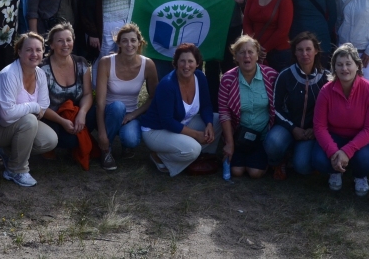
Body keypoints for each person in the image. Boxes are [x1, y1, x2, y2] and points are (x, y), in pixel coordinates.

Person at [40, 23, 125, 169]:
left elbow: (87, 94)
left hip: (77, 113)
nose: (65, 44)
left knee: (107, 109)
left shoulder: (81, 62)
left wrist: (82, 113)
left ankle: (105, 148)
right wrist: (62, 121)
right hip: (53, 117)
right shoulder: (42, 68)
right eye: (60, 41)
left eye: (69, 40)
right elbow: (40, 106)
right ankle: (57, 146)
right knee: (71, 141)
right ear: (52, 45)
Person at [0, 32, 58, 187]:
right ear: (19, 52)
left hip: (19, 125)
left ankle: (8, 154)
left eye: (38, 50)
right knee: (30, 120)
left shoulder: (40, 73)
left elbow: (44, 105)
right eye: (29, 50)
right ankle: (16, 170)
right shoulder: (9, 74)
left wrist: (33, 109)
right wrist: (33, 107)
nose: (34, 54)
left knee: (49, 140)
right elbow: (6, 115)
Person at [313, 43, 369, 195]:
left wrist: (346, 151)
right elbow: (319, 127)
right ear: (334, 68)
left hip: (362, 138)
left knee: (364, 160)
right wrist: (333, 152)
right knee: (318, 159)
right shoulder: (326, 91)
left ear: (358, 66)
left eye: (348, 64)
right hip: (334, 136)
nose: (344, 69)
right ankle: (335, 170)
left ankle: (360, 175)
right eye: (339, 65)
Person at [140, 43, 217, 176]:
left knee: (217, 121)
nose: (186, 66)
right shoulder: (167, 85)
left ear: (197, 63)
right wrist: (196, 134)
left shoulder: (200, 77)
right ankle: (161, 157)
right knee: (193, 149)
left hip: (181, 122)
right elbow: (167, 122)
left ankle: (195, 156)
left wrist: (209, 124)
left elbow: (206, 106)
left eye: (190, 61)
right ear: (175, 63)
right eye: (182, 61)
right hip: (156, 130)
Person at [265, 32, 329, 179]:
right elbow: (276, 107)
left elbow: (330, 110)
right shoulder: (285, 75)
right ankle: (279, 160)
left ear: (316, 50)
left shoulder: (326, 78)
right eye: (300, 50)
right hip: (287, 126)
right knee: (273, 143)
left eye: (308, 49)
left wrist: (315, 128)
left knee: (303, 167)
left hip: (311, 131)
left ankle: (294, 153)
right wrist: (293, 128)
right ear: (294, 52)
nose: (304, 53)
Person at [96, 24, 159, 165]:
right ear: (118, 43)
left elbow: (153, 97)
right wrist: (101, 133)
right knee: (118, 107)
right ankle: (106, 150)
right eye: (124, 41)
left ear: (139, 43)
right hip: (110, 111)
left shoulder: (148, 65)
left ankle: (126, 145)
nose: (129, 44)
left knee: (132, 139)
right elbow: (100, 102)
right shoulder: (106, 62)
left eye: (133, 40)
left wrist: (134, 114)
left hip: (132, 114)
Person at [219, 36, 279, 179]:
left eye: (251, 52)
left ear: (257, 55)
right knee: (237, 171)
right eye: (242, 52)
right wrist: (229, 143)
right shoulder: (227, 79)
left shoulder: (271, 75)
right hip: (239, 135)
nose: (247, 56)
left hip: (263, 136)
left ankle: (270, 159)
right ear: (236, 57)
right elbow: (224, 112)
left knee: (255, 173)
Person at [242, 0, 294, 71]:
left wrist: (262, 49)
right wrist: (253, 46)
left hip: (277, 54)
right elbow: (246, 22)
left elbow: (283, 31)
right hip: (254, 52)